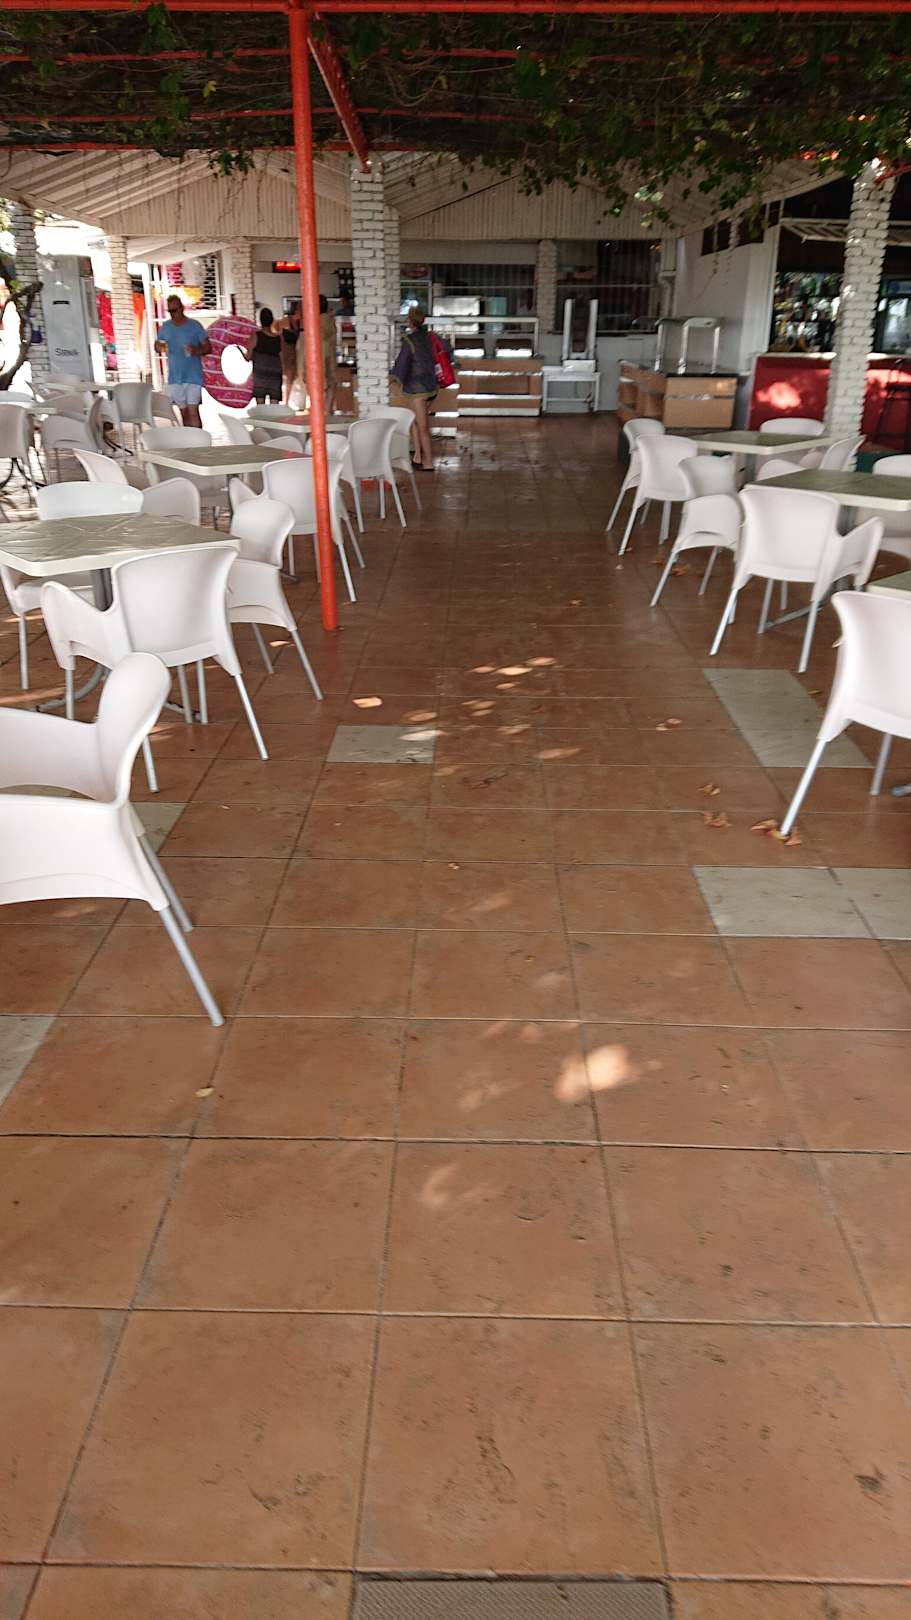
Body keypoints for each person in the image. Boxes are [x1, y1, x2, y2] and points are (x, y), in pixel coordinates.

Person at [390, 305, 454, 471]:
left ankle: (428, 462)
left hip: (417, 389)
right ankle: (417, 457)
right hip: (432, 386)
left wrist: (394, 378)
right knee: (415, 421)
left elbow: (402, 364)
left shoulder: (409, 340)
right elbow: (448, 349)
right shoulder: (432, 336)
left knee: (422, 427)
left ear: (409, 321)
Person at [153, 294, 211, 427]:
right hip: (175, 376)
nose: (172, 314)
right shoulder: (166, 327)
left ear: (182, 308)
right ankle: (188, 438)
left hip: (193, 376)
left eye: (174, 310)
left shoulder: (195, 326)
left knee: (193, 412)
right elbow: (157, 345)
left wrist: (195, 350)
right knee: (183, 413)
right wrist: (158, 347)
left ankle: (198, 438)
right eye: (170, 311)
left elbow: (208, 348)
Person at [296, 295, 339, 414]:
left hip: (314, 360)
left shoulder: (312, 323)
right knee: (331, 383)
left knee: (315, 390)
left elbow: (305, 348)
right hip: (330, 359)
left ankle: (318, 415)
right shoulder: (330, 322)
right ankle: (328, 412)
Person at [244, 307, 282, 404]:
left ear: (260, 321)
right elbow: (282, 357)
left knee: (260, 404)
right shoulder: (279, 338)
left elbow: (248, 357)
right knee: (274, 405)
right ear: (272, 320)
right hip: (275, 373)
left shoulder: (256, 336)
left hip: (260, 374)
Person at [278, 300, 302, 404]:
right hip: (285, 352)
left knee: (290, 378)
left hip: (293, 352)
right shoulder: (285, 321)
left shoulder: (298, 323)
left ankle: (286, 401)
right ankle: (285, 401)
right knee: (287, 377)